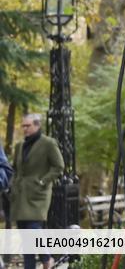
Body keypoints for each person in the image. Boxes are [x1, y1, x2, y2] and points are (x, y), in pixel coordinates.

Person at [11, 113, 64, 269]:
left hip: (38, 195)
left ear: (37, 125)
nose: (25, 129)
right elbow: (15, 169)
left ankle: (47, 258)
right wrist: (13, 184)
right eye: (23, 126)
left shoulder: (48, 143)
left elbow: (59, 167)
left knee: (33, 229)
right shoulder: (20, 146)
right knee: (26, 237)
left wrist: (43, 181)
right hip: (20, 195)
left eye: (28, 126)